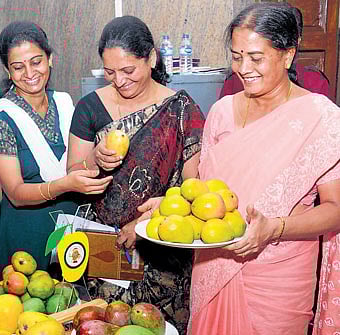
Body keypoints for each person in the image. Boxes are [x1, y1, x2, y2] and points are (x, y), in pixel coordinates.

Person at [189, 3, 340, 335]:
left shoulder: (321, 118)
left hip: (279, 276)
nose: (244, 68)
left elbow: (335, 210)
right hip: (215, 261)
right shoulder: (221, 112)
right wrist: (175, 210)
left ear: (287, 55)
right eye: (236, 56)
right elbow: (204, 193)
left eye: (256, 58)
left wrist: (273, 228)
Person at [67, 16, 205, 334]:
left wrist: (144, 223)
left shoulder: (181, 110)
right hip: (105, 247)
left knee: (157, 327)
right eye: (110, 72)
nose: (119, 80)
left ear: (151, 58)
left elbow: (192, 188)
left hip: (164, 246)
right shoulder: (90, 107)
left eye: (128, 70)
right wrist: (95, 160)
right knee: (102, 324)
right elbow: (74, 174)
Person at [0, 21, 112, 273]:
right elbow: (15, 192)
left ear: (51, 59)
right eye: (18, 67)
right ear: (7, 71)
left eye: (36, 62)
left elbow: (76, 165)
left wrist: (97, 156)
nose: (29, 73)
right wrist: (65, 185)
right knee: (33, 305)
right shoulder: (0, 119)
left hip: (73, 225)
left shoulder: (66, 104)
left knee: (81, 305)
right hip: (27, 232)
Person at [219, 4, 330, 100]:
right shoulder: (227, 102)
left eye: (256, 58)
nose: (243, 70)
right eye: (237, 57)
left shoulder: (314, 88)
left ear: (289, 54)